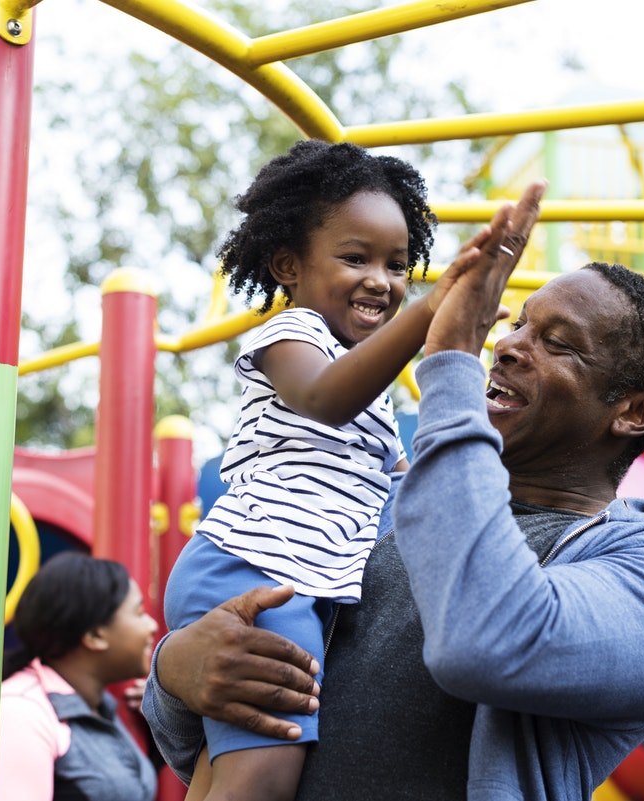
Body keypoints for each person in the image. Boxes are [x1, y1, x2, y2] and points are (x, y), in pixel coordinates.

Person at [143, 179, 644, 801]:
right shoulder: (372, 505)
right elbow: (207, 741)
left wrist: (449, 364)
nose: (510, 346)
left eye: (557, 344)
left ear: (633, 412)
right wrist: (177, 673)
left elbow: (485, 642)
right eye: (518, 325)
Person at [162, 138, 527, 801]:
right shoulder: (292, 336)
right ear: (288, 266)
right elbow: (327, 398)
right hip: (255, 568)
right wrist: (427, 317)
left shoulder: (374, 395)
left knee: (227, 765)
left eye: (398, 265)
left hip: (298, 580)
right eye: (355, 258)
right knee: (265, 774)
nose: (381, 281)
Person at [0, 551, 160, 801]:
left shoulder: (99, 705)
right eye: (138, 613)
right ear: (95, 636)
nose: (152, 626)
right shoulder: (22, 711)